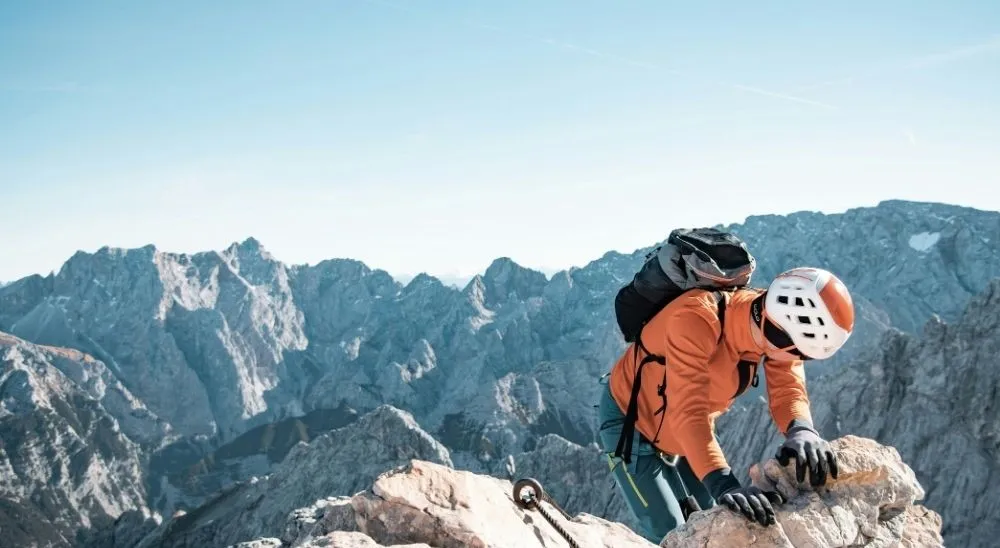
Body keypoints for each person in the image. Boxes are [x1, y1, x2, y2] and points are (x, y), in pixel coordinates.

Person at [597, 266, 854, 543]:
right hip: (631, 423)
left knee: (712, 516)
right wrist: (724, 483)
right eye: (803, 353)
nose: (800, 359)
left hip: (689, 432)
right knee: (668, 529)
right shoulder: (695, 319)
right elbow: (688, 413)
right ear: (784, 337)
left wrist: (801, 429)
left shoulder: (773, 322)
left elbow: (788, 388)